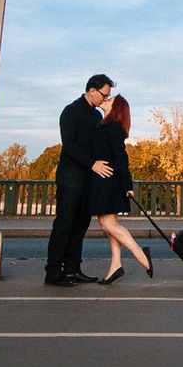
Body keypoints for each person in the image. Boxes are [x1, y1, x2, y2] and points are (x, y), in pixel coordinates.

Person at [45, 74, 115, 287]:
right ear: (91, 90)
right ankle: (53, 272)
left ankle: (73, 269)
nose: (105, 99)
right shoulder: (70, 112)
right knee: (65, 223)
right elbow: (70, 146)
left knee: (81, 225)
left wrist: (109, 116)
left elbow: (105, 143)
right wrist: (92, 164)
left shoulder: (96, 116)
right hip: (71, 176)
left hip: (87, 178)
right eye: (104, 95)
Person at [88, 94, 154, 283]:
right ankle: (116, 265)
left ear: (115, 108)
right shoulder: (106, 125)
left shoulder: (112, 128)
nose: (106, 100)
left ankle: (142, 257)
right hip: (107, 180)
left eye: (110, 100)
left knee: (107, 225)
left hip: (108, 182)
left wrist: (127, 185)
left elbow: (121, 157)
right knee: (111, 225)